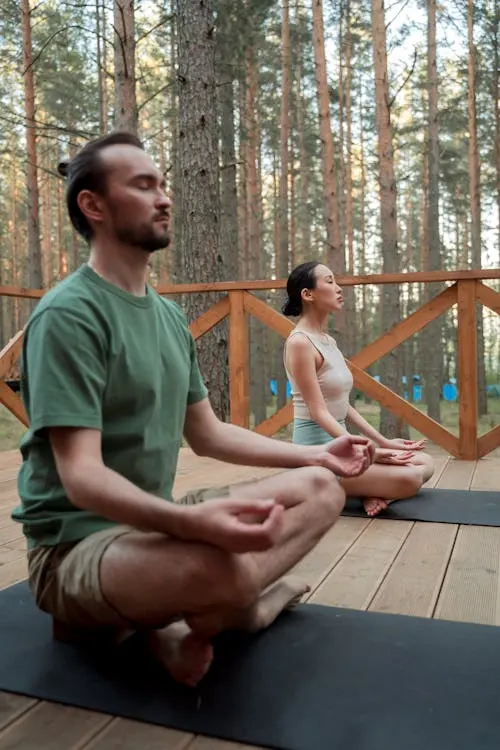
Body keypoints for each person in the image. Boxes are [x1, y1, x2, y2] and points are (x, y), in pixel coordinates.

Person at [11, 133, 375, 688]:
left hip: (154, 524)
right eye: (143, 185)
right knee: (222, 568)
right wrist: (190, 523)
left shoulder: (167, 317)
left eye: (163, 184)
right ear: (94, 205)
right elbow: (80, 477)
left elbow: (208, 435)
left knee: (323, 488)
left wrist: (319, 452)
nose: (164, 198)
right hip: (75, 549)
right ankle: (237, 609)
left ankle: (166, 619)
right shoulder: (70, 315)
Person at [282, 260, 435, 518]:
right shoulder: (300, 343)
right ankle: (346, 489)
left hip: (343, 448)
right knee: (410, 479)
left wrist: (383, 442)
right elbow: (318, 412)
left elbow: (344, 406)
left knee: (425, 463)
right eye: (329, 281)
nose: (339, 287)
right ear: (307, 295)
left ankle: (363, 490)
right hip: (317, 456)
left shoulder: (328, 341)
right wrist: (367, 452)